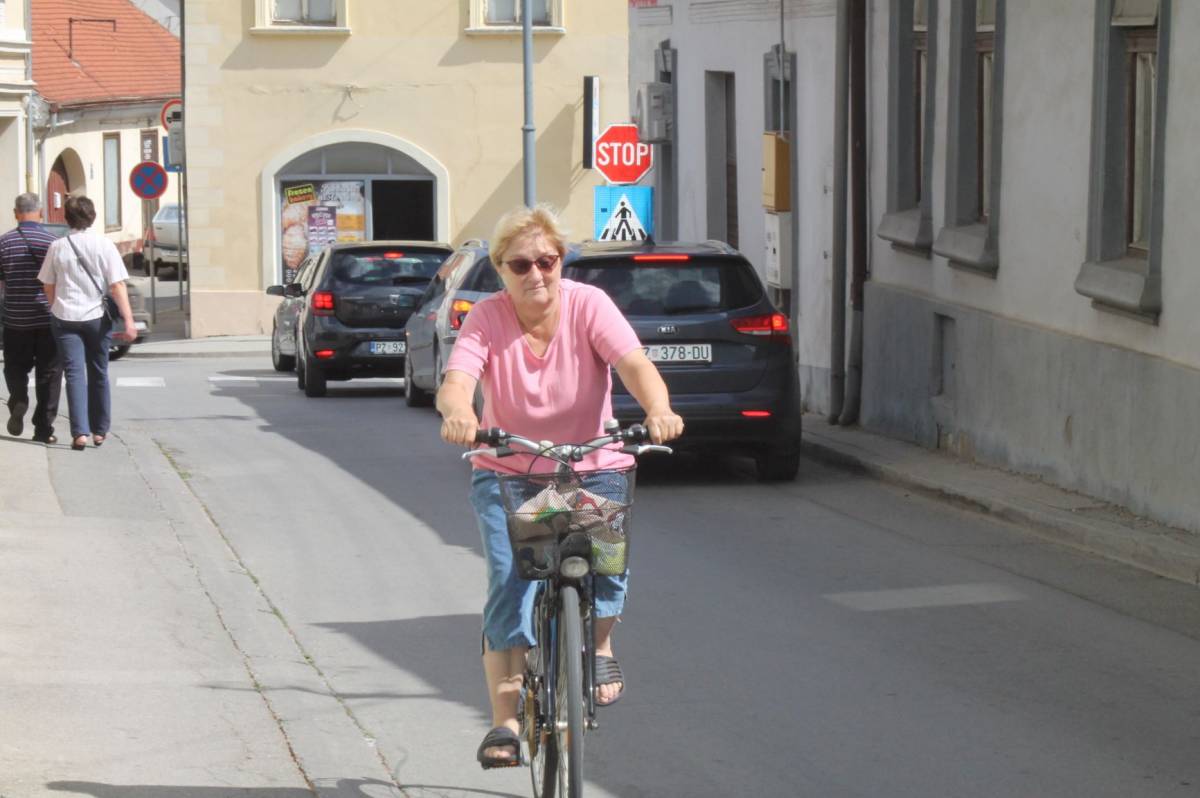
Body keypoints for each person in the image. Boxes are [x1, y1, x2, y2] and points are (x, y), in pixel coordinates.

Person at [436, 204, 684, 769]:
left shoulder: (588, 304)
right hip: (511, 470)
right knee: (510, 581)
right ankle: (504, 722)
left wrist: (659, 408)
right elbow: (457, 381)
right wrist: (459, 414)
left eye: (547, 261)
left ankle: (598, 645)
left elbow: (634, 363)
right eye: (521, 264)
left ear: (561, 261)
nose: (536, 274)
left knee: (608, 564)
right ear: (501, 268)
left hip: (591, 463)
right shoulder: (487, 318)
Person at [37, 195, 136, 451]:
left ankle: (79, 433)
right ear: (92, 217)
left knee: (74, 374)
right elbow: (117, 285)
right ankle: (99, 430)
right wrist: (129, 320)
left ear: (67, 218)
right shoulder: (104, 245)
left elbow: (48, 284)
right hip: (96, 317)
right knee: (99, 371)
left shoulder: (57, 247)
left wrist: (55, 306)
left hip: (65, 316)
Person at [0, 193, 62, 444]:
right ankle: (43, 429)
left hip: (16, 319)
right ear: (41, 213)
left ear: (16, 213)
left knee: (14, 367)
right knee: (49, 373)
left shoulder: (4, 243)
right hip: (47, 318)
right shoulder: (53, 243)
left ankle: (19, 399)